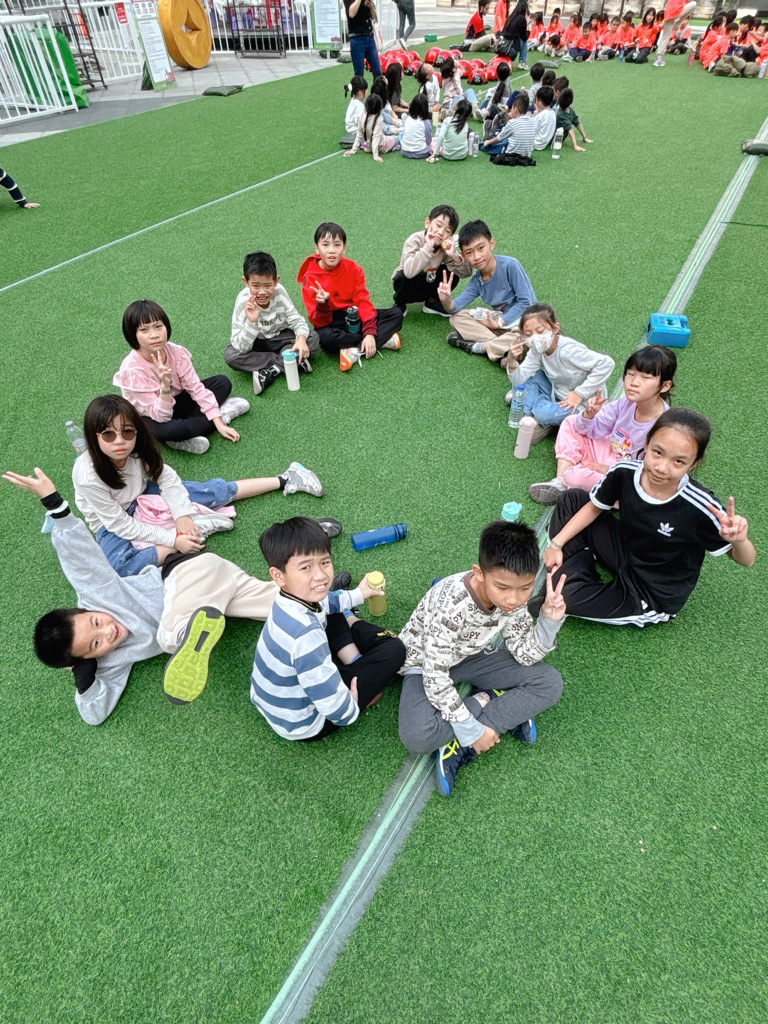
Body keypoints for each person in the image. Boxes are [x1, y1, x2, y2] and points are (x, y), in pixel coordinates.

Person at [2, 468, 279, 722]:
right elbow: (93, 714)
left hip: (190, 571)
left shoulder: (97, 593)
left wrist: (53, 503)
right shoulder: (110, 661)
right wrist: (83, 675)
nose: (107, 632)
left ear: (87, 610)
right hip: (218, 593)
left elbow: (78, 556)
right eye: (95, 644)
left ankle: (182, 635)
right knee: (282, 606)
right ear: (87, 659)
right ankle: (302, 572)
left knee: (168, 636)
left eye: (96, 622)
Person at [541, 408, 756, 627]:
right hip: (626, 550)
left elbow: (747, 560)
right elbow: (593, 507)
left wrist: (739, 541)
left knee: (563, 599)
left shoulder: (701, 506)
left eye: (678, 462)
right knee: (572, 499)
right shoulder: (624, 472)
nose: (662, 467)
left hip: (650, 590)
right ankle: (572, 569)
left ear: (694, 462)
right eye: (658, 452)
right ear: (646, 443)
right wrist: (557, 543)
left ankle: (569, 572)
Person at [70, 394, 324, 577]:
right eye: (108, 434)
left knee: (211, 493)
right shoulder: (87, 475)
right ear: (94, 436)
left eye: (127, 432)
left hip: (142, 494)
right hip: (110, 521)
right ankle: (193, 530)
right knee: (122, 567)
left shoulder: (138, 448)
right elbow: (119, 524)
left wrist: (181, 514)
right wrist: (174, 540)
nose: (120, 441)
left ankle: (287, 477)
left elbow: (166, 478)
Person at [397, 520, 565, 796]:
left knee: (550, 682)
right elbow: (435, 677)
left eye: (525, 588)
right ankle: (486, 699)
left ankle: (459, 741)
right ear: (479, 572)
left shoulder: (512, 598)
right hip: (424, 664)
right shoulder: (452, 606)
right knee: (418, 737)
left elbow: (524, 654)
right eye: (503, 588)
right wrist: (469, 727)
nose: (513, 599)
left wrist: (548, 622)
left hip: (472, 656)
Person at [249, 516, 406, 739]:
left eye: (325, 562)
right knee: (394, 649)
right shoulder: (307, 638)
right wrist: (352, 708)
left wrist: (359, 594)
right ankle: (352, 633)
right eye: (306, 567)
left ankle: (349, 637)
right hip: (309, 721)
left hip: (276, 699)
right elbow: (332, 704)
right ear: (278, 575)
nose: (321, 575)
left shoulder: (287, 598)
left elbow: (327, 602)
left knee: (329, 606)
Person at [529, 344, 677, 504]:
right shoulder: (625, 402)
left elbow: (652, 471)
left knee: (577, 477)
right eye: (631, 374)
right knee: (572, 421)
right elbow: (590, 428)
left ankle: (584, 484)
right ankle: (561, 481)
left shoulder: (664, 426)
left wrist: (609, 469)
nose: (634, 382)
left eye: (646, 378)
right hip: (610, 452)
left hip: (627, 475)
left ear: (665, 385)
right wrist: (589, 415)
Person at [114, 299, 249, 455]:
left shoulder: (176, 352)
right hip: (151, 416)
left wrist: (219, 423)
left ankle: (197, 428)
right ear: (133, 335)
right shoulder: (132, 370)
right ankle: (217, 416)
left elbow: (195, 388)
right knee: (170, 430)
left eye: (158, 326)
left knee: (222, 382)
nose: (154, 335)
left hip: (178, 401)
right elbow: (160, 416)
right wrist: (165, 387)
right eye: (144, 330)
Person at [297, 221, 403, 371]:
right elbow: (318, 321)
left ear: (344, 248)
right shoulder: (309, 278)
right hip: (331, 321)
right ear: (317, 248)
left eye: (337, 245)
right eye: (325, 245)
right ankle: (382, 340)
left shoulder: (354, 268)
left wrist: (370, 333)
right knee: (325, 339)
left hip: (354, 315)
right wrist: (323, 304)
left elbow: (363, 301)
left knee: (396, 314)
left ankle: (354, 350)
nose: (331, 250)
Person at [504, 302, 614, 443]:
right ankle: (534, 415)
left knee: (542, 413)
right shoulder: (536, 350)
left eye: (540, 331)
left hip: (581, 403)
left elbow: (607, 363)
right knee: (526, 379)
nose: (535, 338)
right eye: (528, 334)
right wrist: (511, 360)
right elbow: (519, 379)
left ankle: (536, 413)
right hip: (556, 392)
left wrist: (579, 394)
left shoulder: (568, 351)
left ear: (555, 328)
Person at [439, 219, 536, 361]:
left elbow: (525, 302)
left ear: (491, 243)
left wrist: (499, 323)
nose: (477, 256)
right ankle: (504, 349)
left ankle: (479, 347)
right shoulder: (477, 281)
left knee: (526, 335)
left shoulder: (510, 265)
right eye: (469, 252)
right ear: (464, 256)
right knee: (457, 318)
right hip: (500, 322)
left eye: (481, 248)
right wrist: (446, 300)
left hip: (525, 319)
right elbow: (454, 308)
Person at [224, 250, 318, 396]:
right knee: (231, 355)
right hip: (256, 343)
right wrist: (252, 322)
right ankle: (290, 361)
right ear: (246, 282)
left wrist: (300, 339)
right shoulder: (243, 301)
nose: (262, 292)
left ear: (276, 281)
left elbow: (296, 320)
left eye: (268, 285)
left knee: (312, 337)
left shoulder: (280, 292)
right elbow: (241, 346)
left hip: (280, 337)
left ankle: (271, 370)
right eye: (256, 286)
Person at [392, 204, 470, 315]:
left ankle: (432, 302)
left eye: (447, 231)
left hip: (428, 282)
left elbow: (465, 273)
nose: (441, 232)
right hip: (409, 284)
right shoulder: (414, 240)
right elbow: (408, 272)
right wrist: (428, 247)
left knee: (454, 272)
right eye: (438, 225)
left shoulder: (445, 248)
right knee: (402, 276)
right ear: (427, 223)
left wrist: (453, 255)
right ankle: (400, 304)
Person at [344, 94, 401, 162]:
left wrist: (353, 150)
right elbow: (376, 137)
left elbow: (359, 135)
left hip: (368, 146)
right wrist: (375, 156)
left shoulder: (362, 116)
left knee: (389, 136)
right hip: (382, 145)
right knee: (400, 136)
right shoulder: (379, 118)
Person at [344, 0, 381, 79]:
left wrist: (371, 8)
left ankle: (377, 87)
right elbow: (351, 14)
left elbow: (374, 18)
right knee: (359, 75)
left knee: (378, 72)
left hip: (369, 37)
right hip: (357, 38)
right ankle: (359, 87)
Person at [654, 0, 696, 64]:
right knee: (694, 3)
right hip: (676, 12)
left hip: (669, 14)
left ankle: (659, 57)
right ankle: (679, 22)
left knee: (665, 37)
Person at [555, 87, 592, 152]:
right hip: (556, 139)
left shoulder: (565, 112)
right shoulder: (566, 112)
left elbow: (574, 125)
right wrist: (582, 140)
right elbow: (573, 126)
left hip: (556, 140)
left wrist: (582, 139)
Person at [496, 0, 530, 68]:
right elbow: (524, 37)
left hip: (501, 47)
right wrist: (529, 30)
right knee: (524, 41)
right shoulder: (522, 19)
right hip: (510, 50)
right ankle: (522, 62)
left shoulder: (511, 17)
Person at [399, 93, 433, 158]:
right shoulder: (425, 122)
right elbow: (429, 141)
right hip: (420, 152)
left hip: (405, 151)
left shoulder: (408, 119)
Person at [341, 75, 368, 146]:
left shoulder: (353, 101)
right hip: (355, 131)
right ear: (360, 92)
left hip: (350, 129)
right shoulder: (359, 106)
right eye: (365, 90)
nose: (367, 91)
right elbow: (360, 122)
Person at [531, 85, 556, 149]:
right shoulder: (553, 113)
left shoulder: (540, 116)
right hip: (544, 143)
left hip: (535, 143)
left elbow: (531, 130)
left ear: (540, 102)